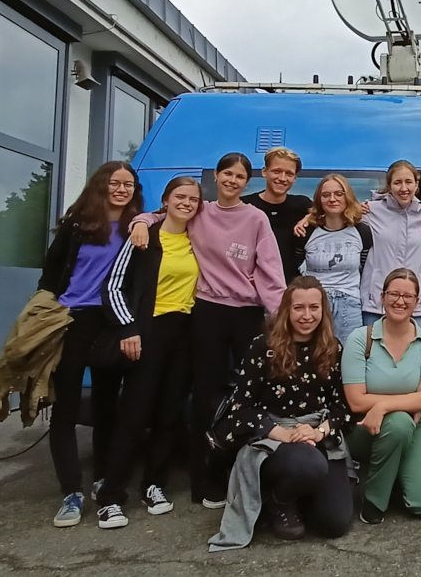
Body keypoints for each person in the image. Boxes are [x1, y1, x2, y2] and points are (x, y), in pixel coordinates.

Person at [129, 152, 285, 506]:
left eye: (240, 177)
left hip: (246, 313)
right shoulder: (201, 211)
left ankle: (251, 471)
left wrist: (279, 318)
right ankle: (204, 481)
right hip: (208, 311)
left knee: (252, 393)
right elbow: (161, 214)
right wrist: (139, 220)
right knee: (205, 395)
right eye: (227, 174)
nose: (232, 181)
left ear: (247, 182)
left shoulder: (256, 218)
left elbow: (271, 270)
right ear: (216, 176)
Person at [206, 277, 352, 548]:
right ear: (286, 310)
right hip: (273, 436)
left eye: (314, 308)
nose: (307, 316)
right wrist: (283, 434)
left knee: (335, 523)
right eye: (298, 308)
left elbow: (342, 407)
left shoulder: (333, 347)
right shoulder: (264, 346)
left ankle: (301, 495)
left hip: (316, 432)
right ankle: (278, 501)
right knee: (310, 465)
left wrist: (318, 432)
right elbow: (240, 408)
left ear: (323, 310)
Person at [39, 161, 143, 528]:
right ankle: (71, 491)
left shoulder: (136, 227)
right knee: (65, 409)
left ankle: (102, 479)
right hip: (72, 321)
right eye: (115, 183)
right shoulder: (76, 226)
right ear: (101, 185)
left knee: (106, 407)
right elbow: (51, 274)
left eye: (128, 184)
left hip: (111, 322)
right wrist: (43, 313)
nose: (122, 189)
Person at [95, 177, 202, 528]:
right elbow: (113, 286)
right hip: (148, 333)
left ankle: (154, 484)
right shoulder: (144, 237)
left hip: (184, 335)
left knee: (169, 415)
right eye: (180, 196)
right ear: (166, 200)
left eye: (193, 199)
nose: (186, 203)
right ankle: (111, 496)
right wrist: (129, 327)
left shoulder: (197, 238)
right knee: (134, 415)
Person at [342, 268, 421, 524]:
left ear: (417, 301)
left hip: (414, 427)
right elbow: (356, 401)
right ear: (382, 297)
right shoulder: (361, 339)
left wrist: (382, 405)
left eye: (408, 296)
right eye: (394, 294)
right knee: (399, 421)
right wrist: (401, 406)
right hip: (364, 428)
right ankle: (374, 500)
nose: (400, 301)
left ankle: (397, 478)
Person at [296, 174, 373, 342]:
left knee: (349, 353)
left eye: (339, 194)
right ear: (319, 199)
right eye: (326, 195)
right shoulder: (307, 231)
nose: (332, 199)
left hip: (350, 305)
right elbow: (296, 269)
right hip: (315, 304)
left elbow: (364, 268)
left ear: (348, 196)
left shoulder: (362, 231)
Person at [359, 161, 421, 329]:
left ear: (416, 184)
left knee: (413, 346)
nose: (403, 188)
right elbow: (336, 215)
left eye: (408, 182)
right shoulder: (371, 210)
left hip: (413, 303)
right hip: (377, 301)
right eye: (397, 182)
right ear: (389, 186)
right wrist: (308, 218)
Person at [242, 147, 312, 283]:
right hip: (253, 287)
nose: (282, 178)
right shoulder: (245, 206)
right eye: (277, 171)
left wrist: (309, 217)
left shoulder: (302, 205)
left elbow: (333, 211)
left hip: (291, 286)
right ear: (264, 172)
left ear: (295, 178)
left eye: (289, 174)